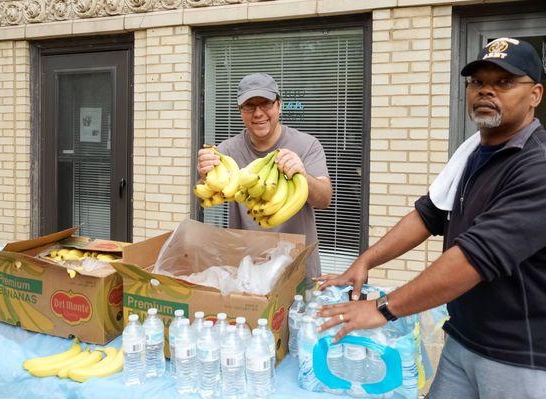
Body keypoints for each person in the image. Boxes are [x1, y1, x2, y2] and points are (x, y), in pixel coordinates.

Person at [314, 37, 546, 398]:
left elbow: (475, 258)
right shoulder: (474, 152)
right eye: (477, 82)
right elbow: (429, 214)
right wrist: (365, 260)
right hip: (463, 336)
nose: (486, 91)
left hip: (515, 354)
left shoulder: (537, 166)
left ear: (535, 95)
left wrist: (383, 309)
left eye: (503, 82)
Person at [197, 73, 332, 285]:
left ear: (279, 105)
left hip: (297, 267)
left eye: (266, 104)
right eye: (249, 106)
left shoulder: (307, 145)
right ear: (240, 112)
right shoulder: (228, 150)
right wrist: (205, 176)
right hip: (248, 268)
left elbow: (324, 199)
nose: (258, 113)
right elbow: (205, 196)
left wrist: (303, 175)